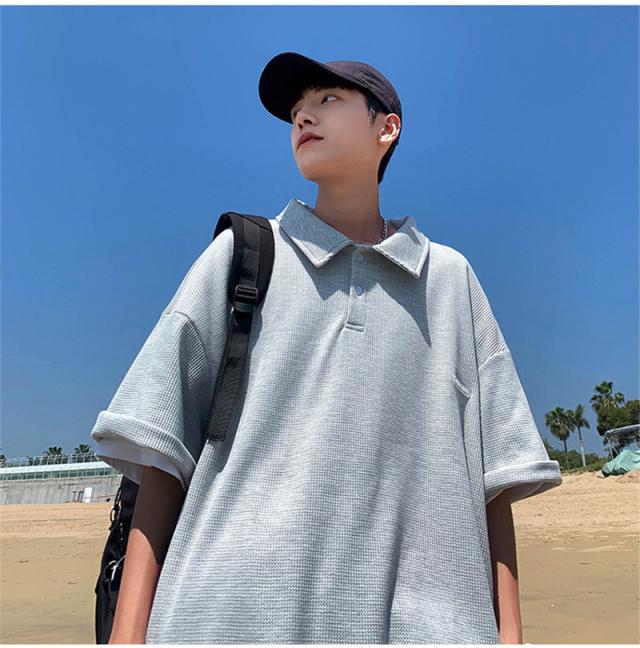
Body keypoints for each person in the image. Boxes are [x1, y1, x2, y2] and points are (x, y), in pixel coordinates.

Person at [90, 51, 562, 644]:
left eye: (328, 99)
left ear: (386, 127)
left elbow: (493, 482)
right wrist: (128, 635)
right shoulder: (242, 257)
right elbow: (163, 455)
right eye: (297, 109)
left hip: (424, 626)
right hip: (225, 618)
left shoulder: (450, 281)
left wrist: (509, 635)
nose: (303, 117)